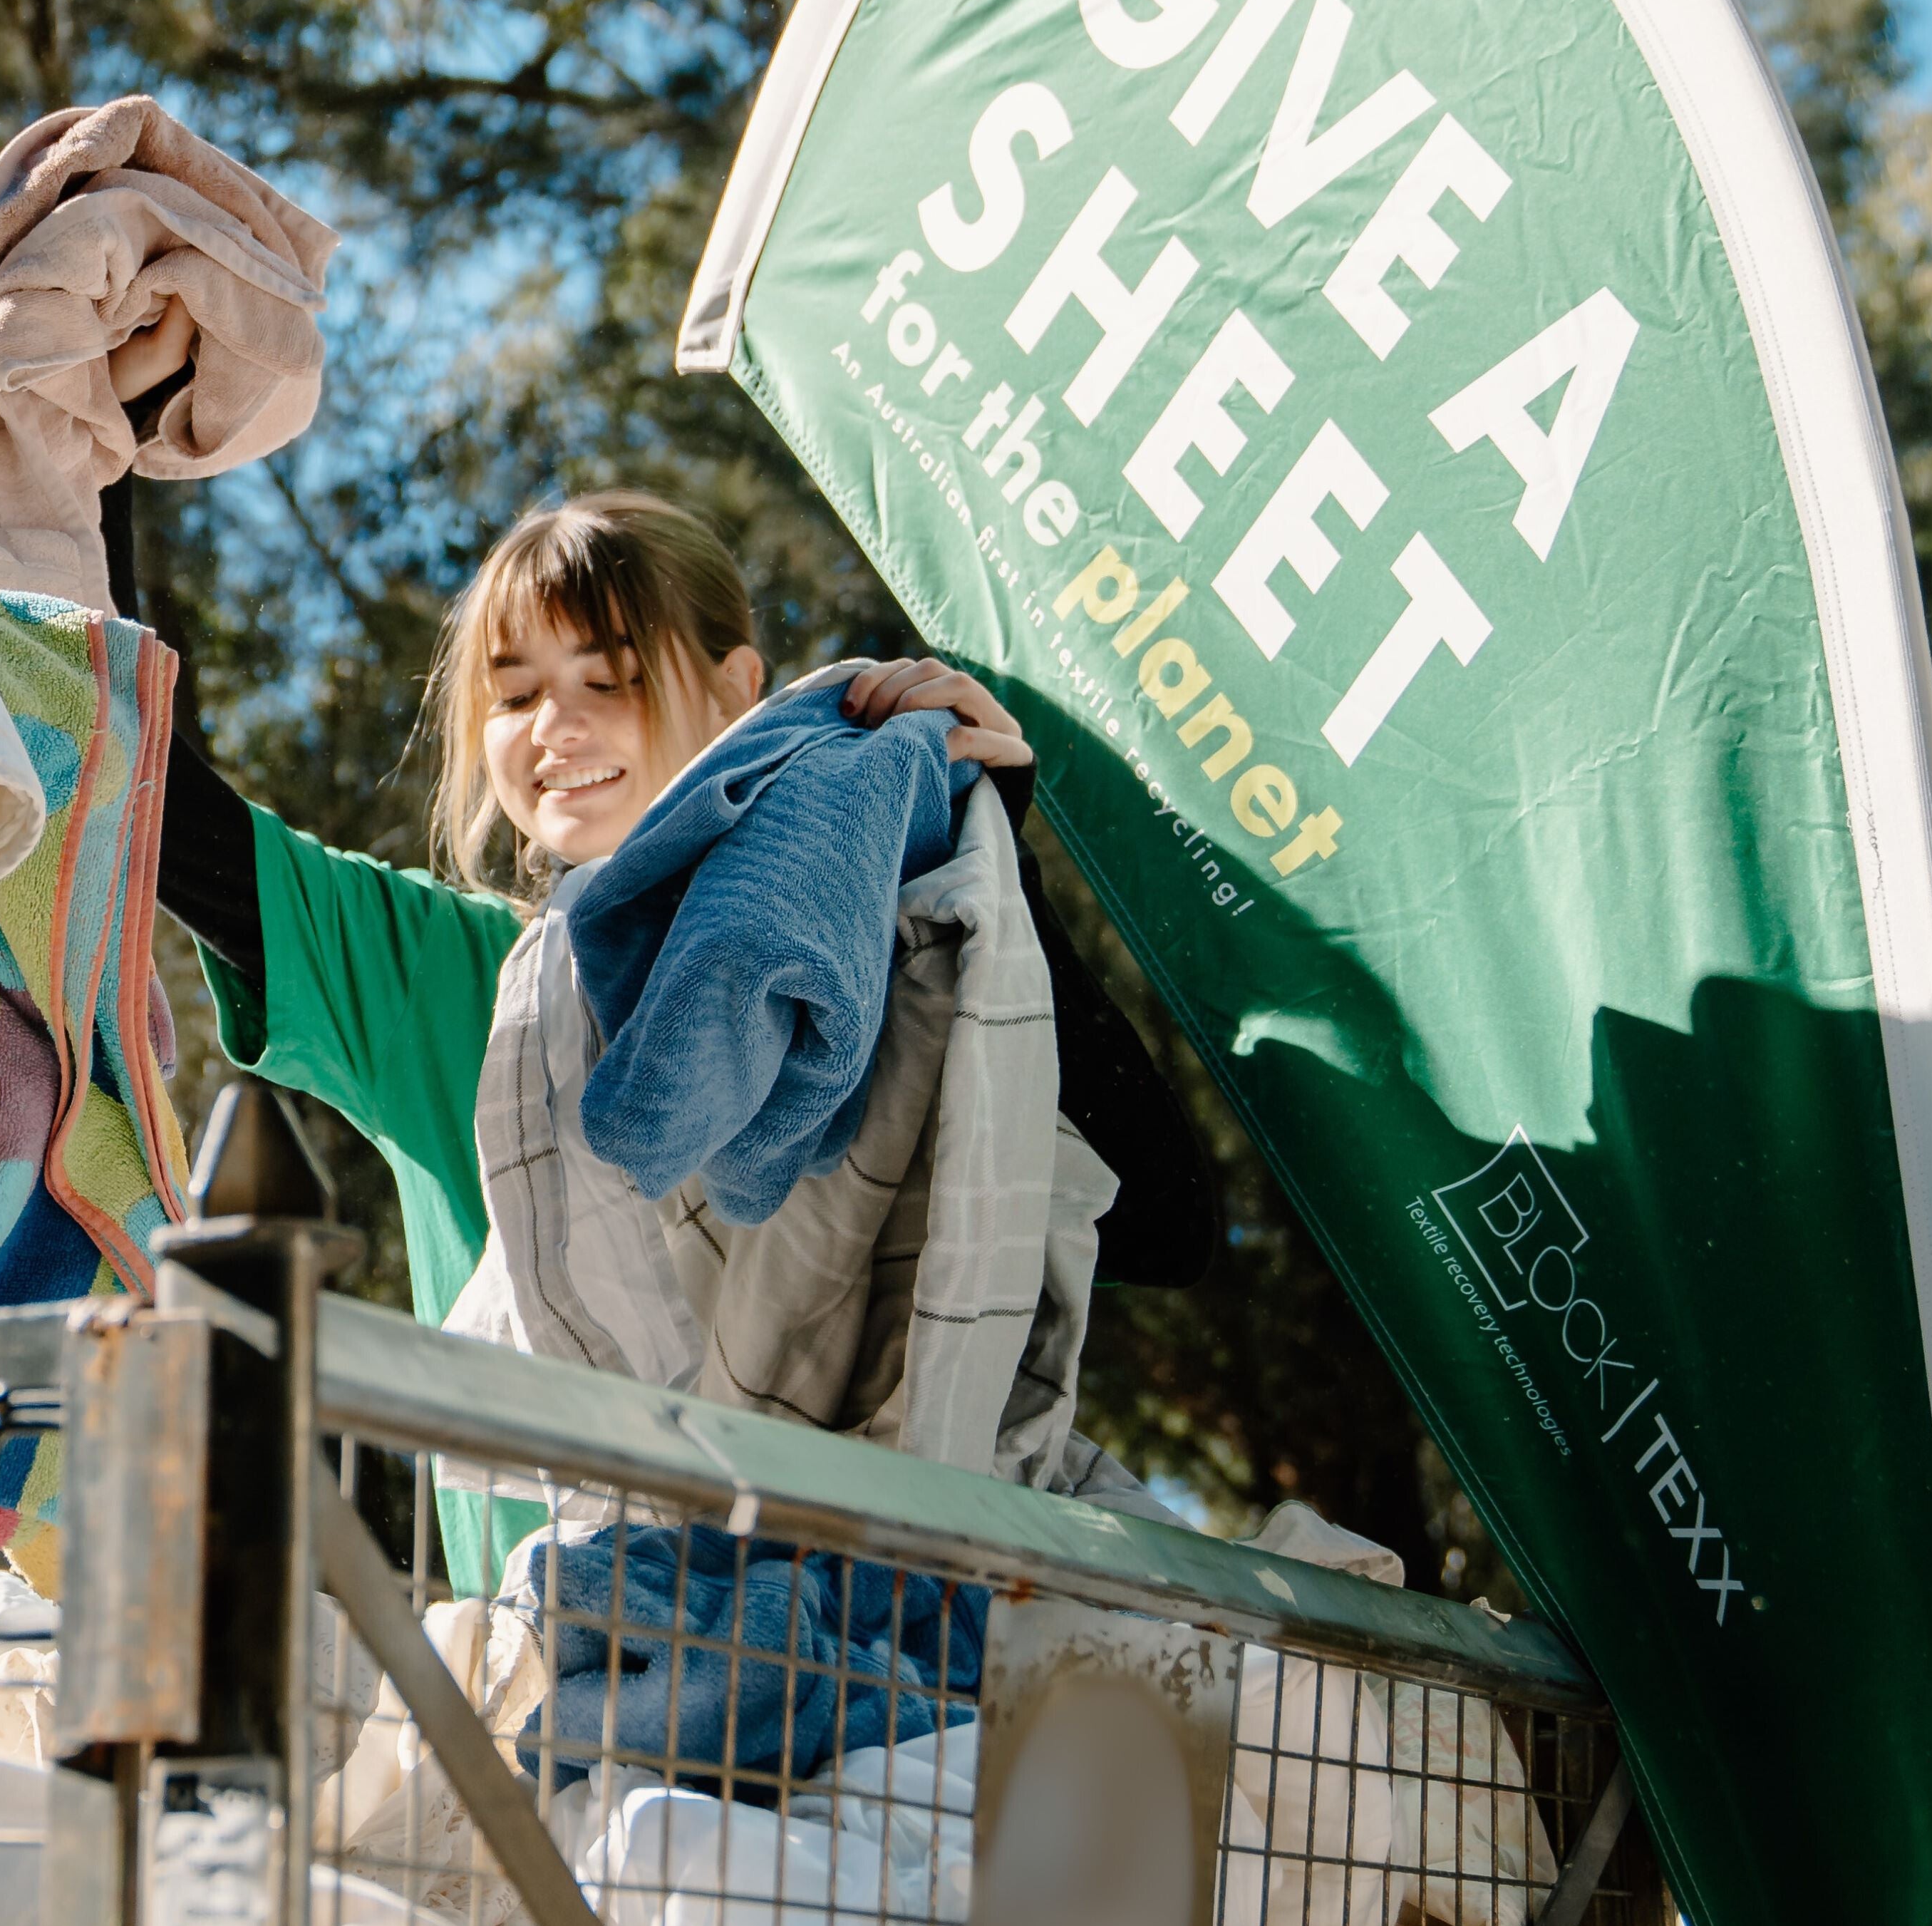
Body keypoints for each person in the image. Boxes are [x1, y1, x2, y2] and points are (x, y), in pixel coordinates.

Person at [153, 488, 1215, 1322]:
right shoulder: (446, 973)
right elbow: (142, 792)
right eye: (515, 695)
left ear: (735, 687)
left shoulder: (850, 974)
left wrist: (983, 873)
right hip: (558, 1601)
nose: (551, 728)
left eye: (608, 679)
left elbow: (1157, 1230)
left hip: (854, 1592)